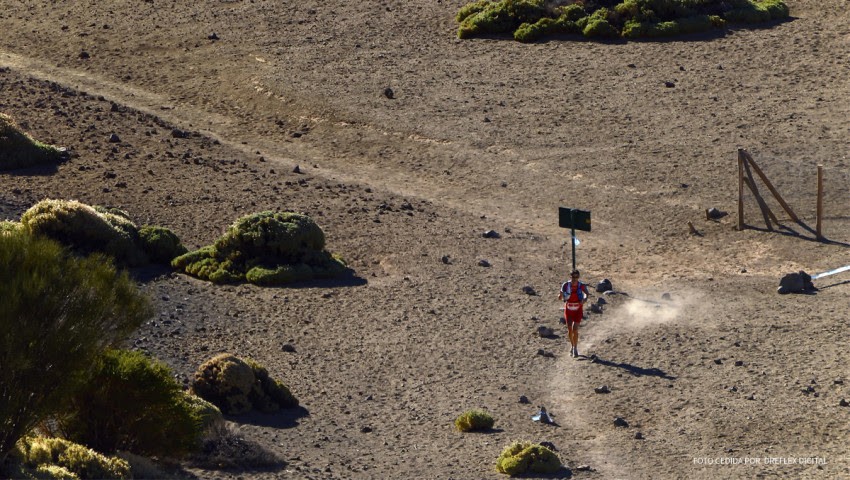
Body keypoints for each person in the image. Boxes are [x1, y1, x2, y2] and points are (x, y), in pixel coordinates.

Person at [559, 269, 589, 358]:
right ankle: (572, 346)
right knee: (569, 329)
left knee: (575, 329)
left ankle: (575, 348)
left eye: (576, 277)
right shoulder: (565, 285)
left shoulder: (581, 285)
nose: (575, 279)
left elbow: (587, 294)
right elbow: (560, 296)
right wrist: (560, 296)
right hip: (568, 309)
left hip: (578, 309)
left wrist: (584, 300)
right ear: (570, 277)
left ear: (578, 277)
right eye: (573, 277)